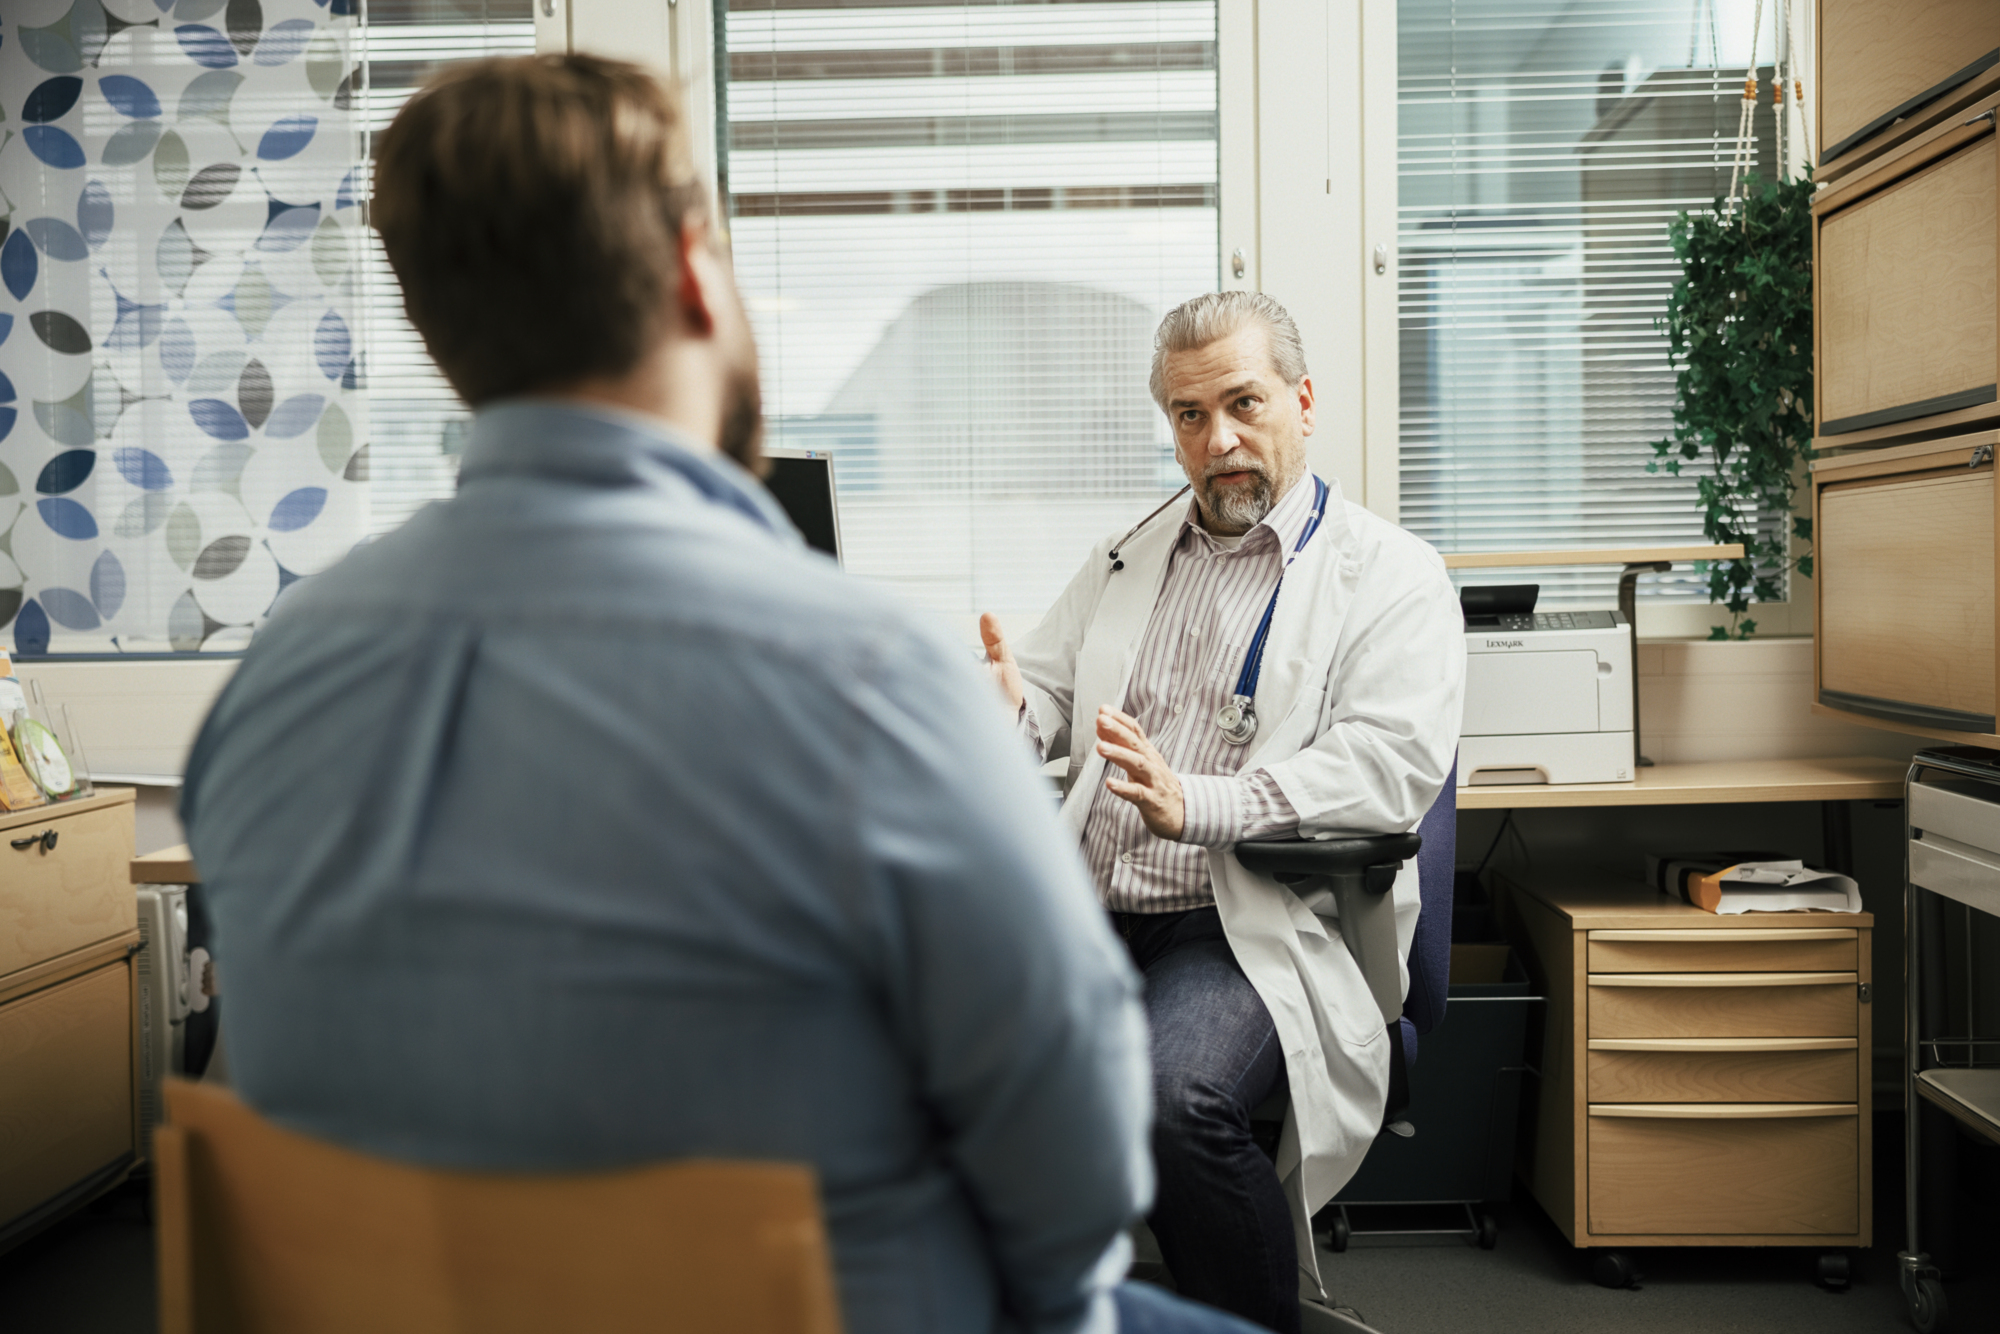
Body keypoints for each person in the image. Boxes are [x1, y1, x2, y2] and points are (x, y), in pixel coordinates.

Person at [179, 54, 1264, 1334]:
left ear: (437, 331)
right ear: (699, 270)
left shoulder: (277, 677)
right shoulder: (864, 679)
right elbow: (1075, 1175)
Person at [981, 292, 1466, 1333]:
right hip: (1090, 910)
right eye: (1188, 416)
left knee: (1172, 1098)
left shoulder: (1390, 576)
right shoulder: (1130, 552)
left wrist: (1195, 802)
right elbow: (1049, 693)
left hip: (1243, 923)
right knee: (904, 1043)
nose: (1218, 440)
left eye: (1241, 403)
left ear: (1299, 399)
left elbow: (1384, 766)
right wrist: (1007, 709)